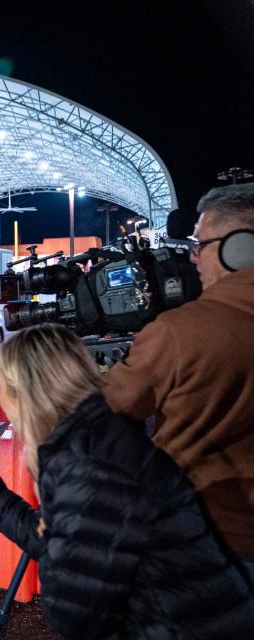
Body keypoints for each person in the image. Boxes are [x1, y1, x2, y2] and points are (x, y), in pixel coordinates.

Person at [0, 324, 254, 639]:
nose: (0, 396)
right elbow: (59, 544)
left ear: (23, 393)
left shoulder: (88, 466)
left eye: (0, 386)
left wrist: (53, 535)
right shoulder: (97, 436)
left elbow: (71, 610)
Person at [104, 183, 254, 581]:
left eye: (200, 245)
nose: (193, 257)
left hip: (211, 538)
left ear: (240, 248)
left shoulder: (180, 332)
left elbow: (109, 413)